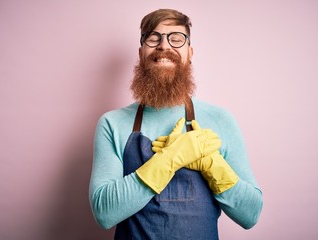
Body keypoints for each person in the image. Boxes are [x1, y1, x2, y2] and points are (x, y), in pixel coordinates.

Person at [89, 9, 263, 240]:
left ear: (190, 53)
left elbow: (250, 214)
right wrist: (170, 158)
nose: (164, 46)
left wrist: (211, 164)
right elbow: (104, 213)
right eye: (153, 38)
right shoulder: (112, 124)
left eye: (176, 38)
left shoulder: (220, 120)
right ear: (141, 53)